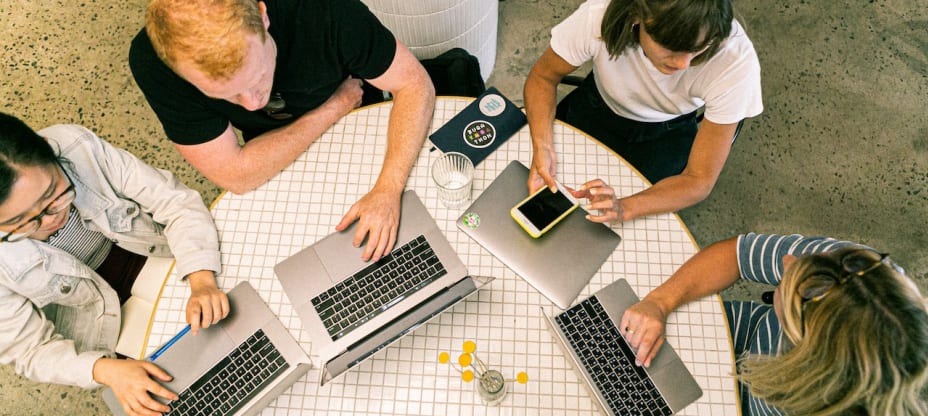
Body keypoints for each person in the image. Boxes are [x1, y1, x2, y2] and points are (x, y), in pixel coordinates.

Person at [129, 0, 436, 262]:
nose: (252, 104)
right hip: (301, 132)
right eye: (227, 95)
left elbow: (413, 84)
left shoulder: (321, 9)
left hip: (363, 114)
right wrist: (331, 109)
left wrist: (387, 189)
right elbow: (236, 175)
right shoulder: (152, 61)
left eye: (258, 77)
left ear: (263, 17)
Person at [0, 112, 230, 416]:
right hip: (98, 329)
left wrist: (201, 278)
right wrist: (105, 369)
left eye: (53, 195)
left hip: (156, 255)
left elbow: (174, 201)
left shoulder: (75, 145)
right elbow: (28, 350)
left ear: (49, 149)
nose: (50, 221)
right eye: (20, 223)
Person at [620, 232, 928, 415]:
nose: (787, 262)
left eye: (794, 286)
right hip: (734, 333)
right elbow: (738, 254)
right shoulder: (858, 272)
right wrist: (659, 303)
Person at [524, 0, 762, 223]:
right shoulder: (598, 15)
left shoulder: (736, 61)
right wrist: (542, 146)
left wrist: (624, 208)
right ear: (636, 16)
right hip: (595, 107)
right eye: (671, 47)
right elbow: (543, 78)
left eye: (699, 49)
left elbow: (698, 180)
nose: (683, 64)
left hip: (667, 134)